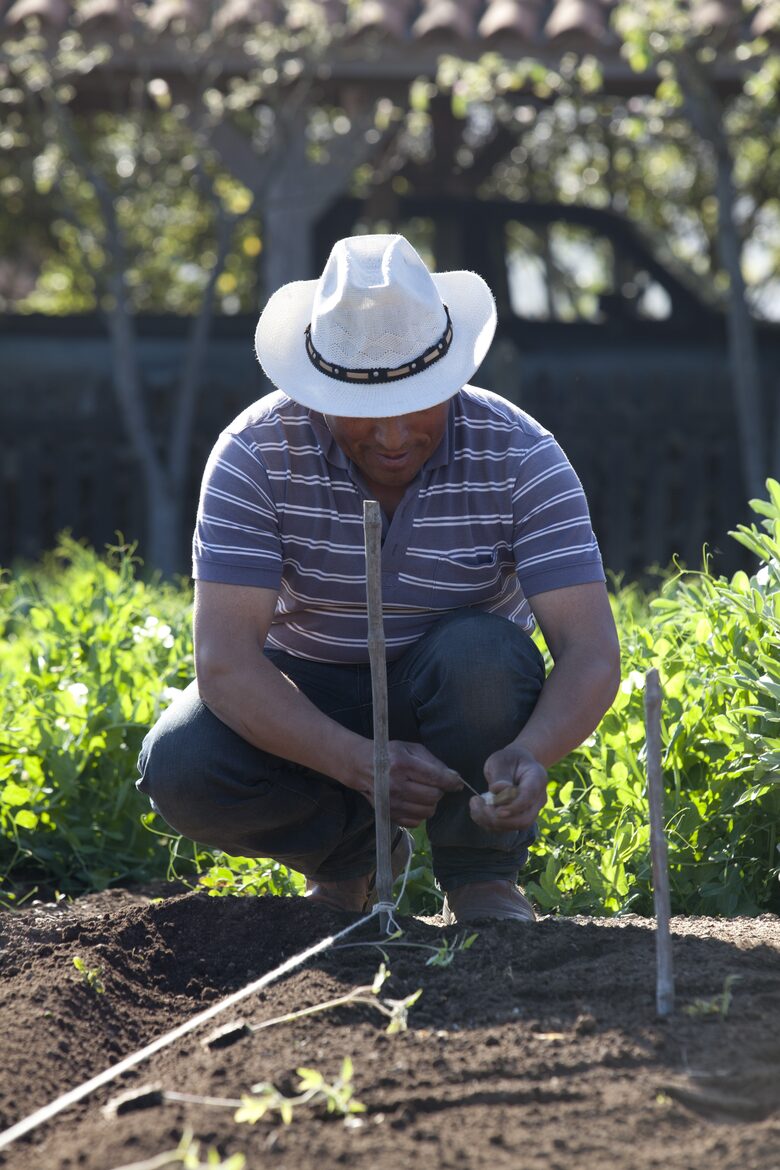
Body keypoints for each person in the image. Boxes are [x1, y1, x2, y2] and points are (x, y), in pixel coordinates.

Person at [137, 234, 620, 923]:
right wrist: (357, 762)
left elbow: (590, 650)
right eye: (363, 411)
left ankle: (480, 874)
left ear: (450, 379)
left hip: (458, 692)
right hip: (311, 689)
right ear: (319, 391)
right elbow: (225, 663)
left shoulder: (520, 454)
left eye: (417, 403)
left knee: (481, 655)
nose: (392, 437)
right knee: (183, 765)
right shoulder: (256, 454)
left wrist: (530, 750)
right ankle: (350, 856)